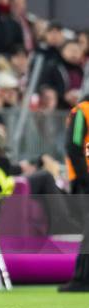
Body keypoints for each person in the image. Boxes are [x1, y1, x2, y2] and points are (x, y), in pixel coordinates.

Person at [59, 94, 89, 292]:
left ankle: (82, 278)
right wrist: (84, 178)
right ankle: (81, 278)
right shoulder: (83, 110)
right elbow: (73, 144)